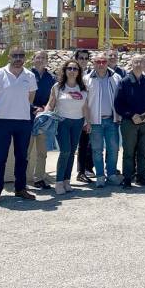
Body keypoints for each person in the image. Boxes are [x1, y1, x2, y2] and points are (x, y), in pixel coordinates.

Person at [0, 45, 37, 206]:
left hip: (23, 122)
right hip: (1, 122)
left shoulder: (29, 75)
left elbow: (31, 98)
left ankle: (20, 188)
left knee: (22, 157)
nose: (18, 58)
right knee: (0, 158)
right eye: (15, 55)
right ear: (9, 56)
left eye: (21, 55)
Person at [43, 60, 90, 195]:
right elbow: (51, 104)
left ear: (79, 72)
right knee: (65, 151)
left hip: (78, 122)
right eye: (69, 68)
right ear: (65, 70)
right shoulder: (57, 87)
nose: (72, 71)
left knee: (71, 152)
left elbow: (85, 107)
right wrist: (45, 115)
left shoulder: (83, 88)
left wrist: (88, 122)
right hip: (62, 122)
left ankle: (66, 180)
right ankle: (58, 182)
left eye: (75, 69)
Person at [115, 54, 145, 188]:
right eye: (136, 62)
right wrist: (131, 115)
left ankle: (141, 176)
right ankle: (127, 178)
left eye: (141, 61)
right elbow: (118, 104)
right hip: (129, 122)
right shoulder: (124, 82)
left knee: (144, 150)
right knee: (129, 151)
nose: (139, 64)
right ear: (131, 64)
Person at [84, 52, 123, 188]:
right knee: (97, 150)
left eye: (104, 61)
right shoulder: (86, 79)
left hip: (112, 120)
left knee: (113, 149)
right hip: (95, 121)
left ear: (107, 62)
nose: (101, 64)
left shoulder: (116, 77)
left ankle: (111, 174)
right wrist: (86, 121)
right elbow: (84, 102)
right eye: (98, 62)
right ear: (93, 63)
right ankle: (100, 176)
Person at [26, 49, 55, 190]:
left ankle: (39, 178)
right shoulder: (26, 75)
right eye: (38, 57)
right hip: (28, 117)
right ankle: (23, 179)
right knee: (25, 151)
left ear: (47, 60)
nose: (41, 60)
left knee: (42, 151)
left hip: (43, 118)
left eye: (44, 57)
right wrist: (33, 108)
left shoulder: (51, 77)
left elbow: (53, 97)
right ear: (33, 59)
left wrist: (44, 109)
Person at [73, 49, 94, 183]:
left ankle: (82, 171)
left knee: (85, 144)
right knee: (68, 148)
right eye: (81, 58)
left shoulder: (91, 75)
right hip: (72, 115)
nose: (84, 61)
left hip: (86, 115)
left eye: (86, 58)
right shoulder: (71, 73)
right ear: (76, 58)